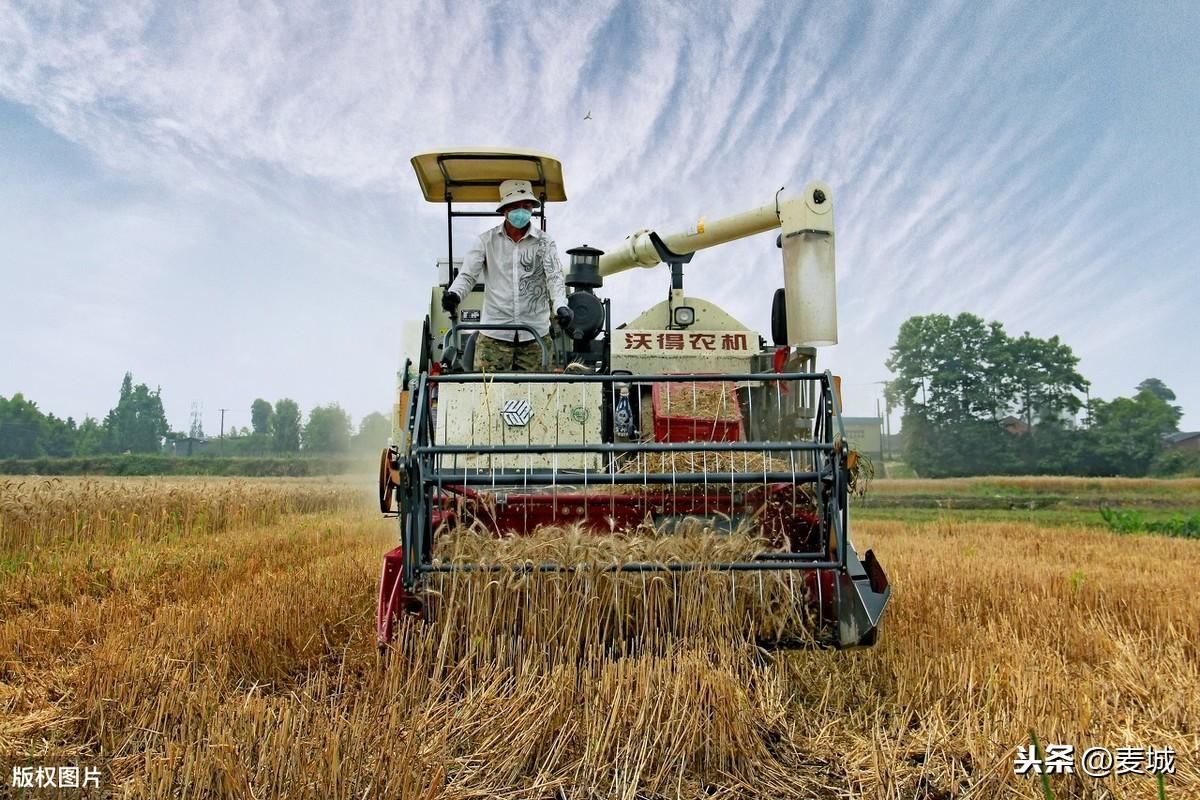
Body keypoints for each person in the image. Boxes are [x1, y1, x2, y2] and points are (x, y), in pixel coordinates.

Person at [441, 179, 573, 372]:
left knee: (537, 397)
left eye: (526, 206)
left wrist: (561, 305)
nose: (522, 211)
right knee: (487, 396)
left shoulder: (545, 243)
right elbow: (468, 275)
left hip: (535, 335)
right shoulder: (486, 241)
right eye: (516, 206)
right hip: (494, 335)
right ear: (505, 210)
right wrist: (454, 294)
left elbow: (554, 277)